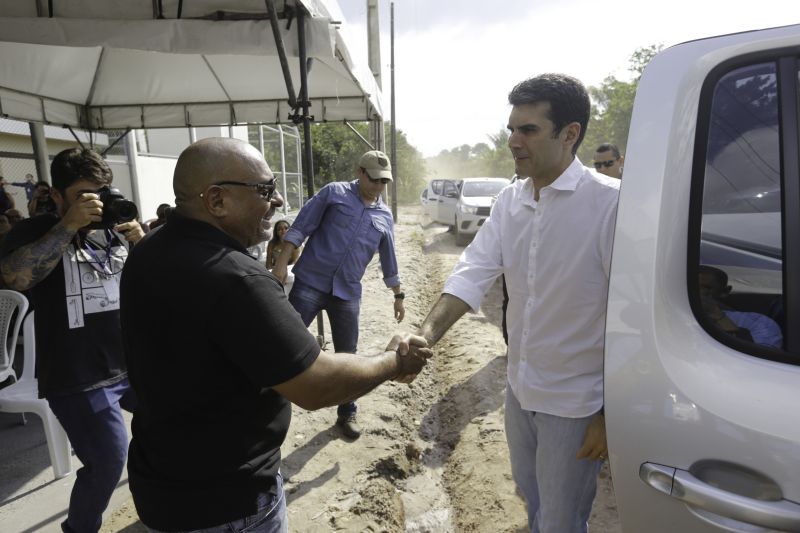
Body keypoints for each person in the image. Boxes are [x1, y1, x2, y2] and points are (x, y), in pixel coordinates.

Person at [120, 137, 430, 533]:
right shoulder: (237, 280)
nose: (279, 200)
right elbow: (315, 385)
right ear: (216, 201)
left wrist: (397, 290)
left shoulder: (149, 250)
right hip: (229, 504)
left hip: (162, 484)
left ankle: (348, 412)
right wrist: (395, 362)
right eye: (265, 190)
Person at [408, 74, 619, 533]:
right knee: (533, 500)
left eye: (528, 130)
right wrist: (422, 338)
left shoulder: (610, 206)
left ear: (570, 134)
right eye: (511, 129)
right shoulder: (511, 201)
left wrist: (608, 413)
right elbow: (473, 271)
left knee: (563, 520)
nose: (513, 141)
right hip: (520, 392)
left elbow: (631, 317)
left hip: (576, 402)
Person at [0, 148, 143, 533]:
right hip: (77, 375)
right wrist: (67, 226)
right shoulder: (37, 229)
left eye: (103, 191)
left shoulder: (114, 229)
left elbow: (147, 290)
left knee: (170, 421)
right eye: (85, 195)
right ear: (58, 196)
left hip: (128, 364)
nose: (98, 203)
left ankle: (156, 503)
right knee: (109, 460)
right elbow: (16, 278)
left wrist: (142, 246)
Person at [272, 150, 405, 439]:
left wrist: (398, 293)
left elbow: (389, 258)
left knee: (348, 355)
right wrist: (281, 265)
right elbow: (300, 227)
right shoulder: (334, 193)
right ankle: (267, 406)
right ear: (359, 172)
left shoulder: (383, 215)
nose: (379, 186)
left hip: (347, 293)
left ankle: (347, 412)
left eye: (384, 182)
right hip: (310, 282)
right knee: (284, 343)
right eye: (374, 179)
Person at [699, 265, 783, 348]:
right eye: (688, 285)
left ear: (724, 292)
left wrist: (717, 316)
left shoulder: (757, 323)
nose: (695, 291)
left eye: (705, 288)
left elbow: (763, 355)